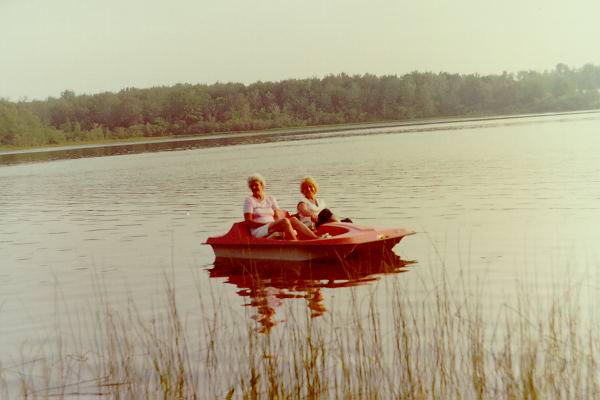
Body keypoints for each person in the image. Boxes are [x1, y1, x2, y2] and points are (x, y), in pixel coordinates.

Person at [243, 173, 318, 240]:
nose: (254, 188)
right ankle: (296, 244)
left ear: (262, 185)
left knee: (294, 219)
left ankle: (316, 238)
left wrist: (277, 224)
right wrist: (266, 224)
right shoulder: (249, 200)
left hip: (271, 225)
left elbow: (277, 216)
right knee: (285, 221)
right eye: (251, 186)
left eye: (256, 185)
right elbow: (248, 221)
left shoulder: (270, 198)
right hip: (259, 230)